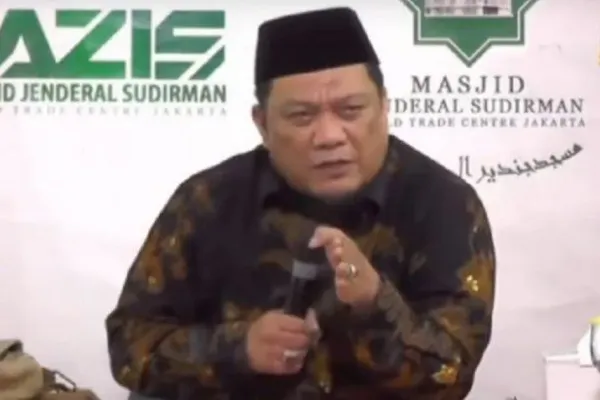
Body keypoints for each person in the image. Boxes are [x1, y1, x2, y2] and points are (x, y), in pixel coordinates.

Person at [105, 7, 496, 400]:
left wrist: (375, 303)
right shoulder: (207, 201)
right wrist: (238, 350)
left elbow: (453, 370)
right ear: (262, 124)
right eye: (301, 116)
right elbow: (129, 346)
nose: (329, 136)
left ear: (384, 106)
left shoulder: (443, 204)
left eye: (351, 111)